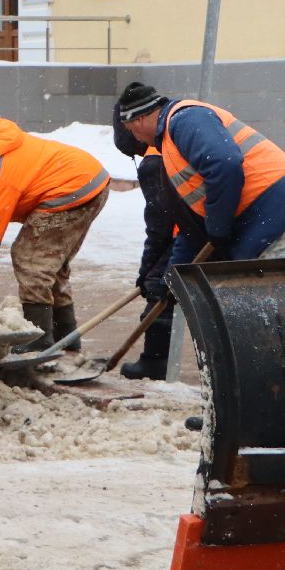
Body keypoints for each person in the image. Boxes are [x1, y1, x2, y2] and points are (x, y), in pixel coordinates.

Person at [0, 120, 110, 354]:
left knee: (30, 258)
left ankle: (40, 336)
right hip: (88, 181)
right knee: (51, 263)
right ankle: (66, 336)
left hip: (70, 189)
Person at [117, 81, 285, 268]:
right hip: (261, 218)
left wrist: (218, 227)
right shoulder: (170, 145)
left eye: (130, 131)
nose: (139, 140)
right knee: (263, 301)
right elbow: (193, 225)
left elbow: (225, 164)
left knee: (283, 299)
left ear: (139, 120)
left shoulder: (185, 118)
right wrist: (173, 277)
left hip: (277, 208)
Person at [112, 114, 180, 379]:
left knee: (159, 285)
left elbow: (159, 224)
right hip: (201, 226)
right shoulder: (167, 144)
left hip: (187, 232)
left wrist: (147, 271)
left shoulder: (153, 162)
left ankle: (156, 361)